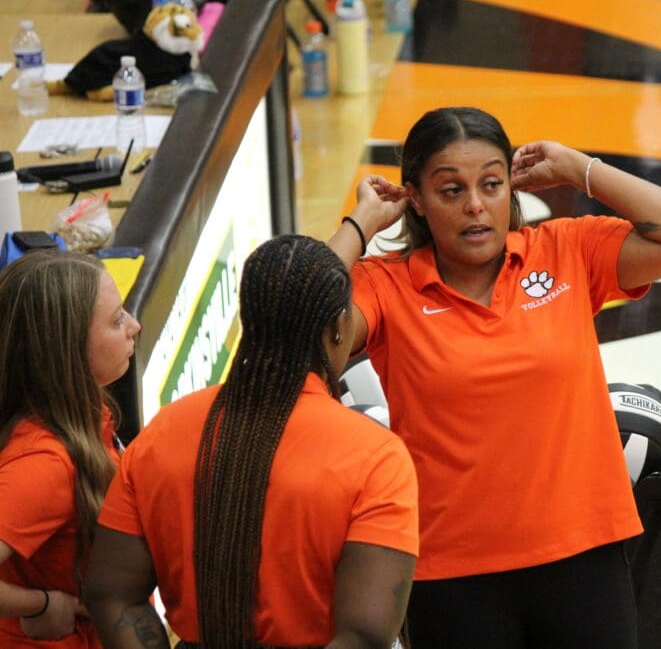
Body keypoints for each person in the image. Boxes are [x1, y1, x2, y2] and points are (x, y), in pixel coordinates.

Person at [328, 106, 661, 648]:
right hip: (451, 578)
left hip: (585, 560)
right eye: (451, 190)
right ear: (414, 198)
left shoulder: (564, 251)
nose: (475, 205)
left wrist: (580, 169)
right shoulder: (384, 286)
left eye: (491, 184)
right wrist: (361, 224)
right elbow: (300, 321)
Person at [84, 235, 419, 649]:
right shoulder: (376, 457)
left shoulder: (163, 432)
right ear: (338, 329)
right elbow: (365, 634)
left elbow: (111, 593)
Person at [0, 250, 141, 647]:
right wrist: (39, 605)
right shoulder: (45, 464)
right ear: (67, 348)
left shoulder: (82, 418)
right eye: (117, 320)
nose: (135, 325)